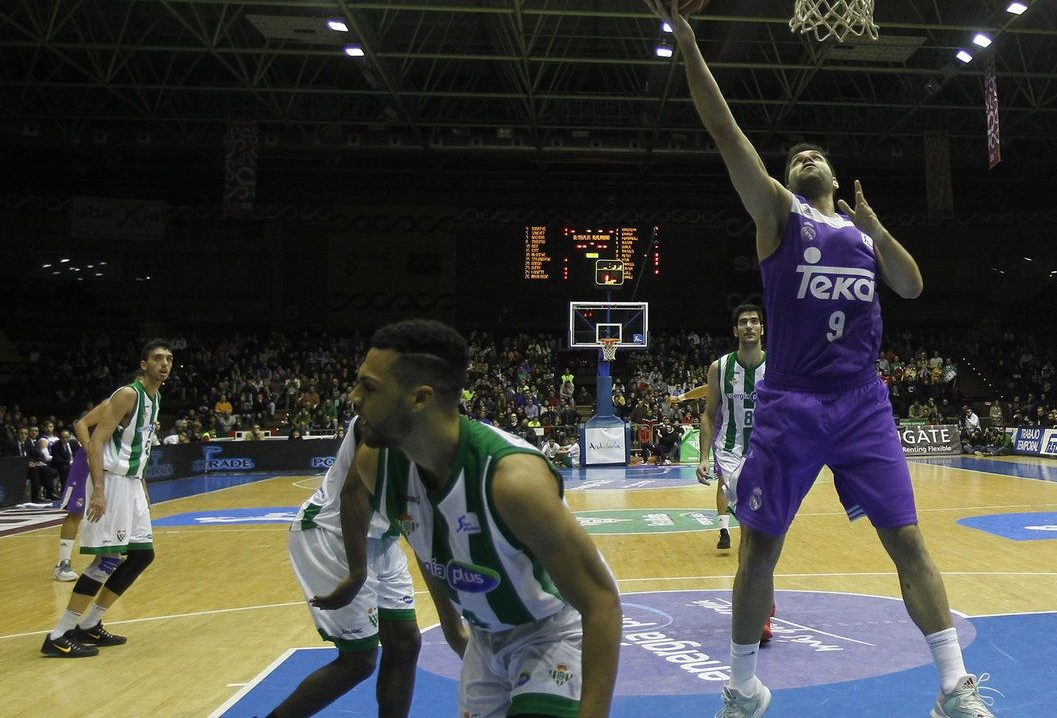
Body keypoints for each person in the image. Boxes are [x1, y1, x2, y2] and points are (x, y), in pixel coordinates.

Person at [651, 0, 996, 718]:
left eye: (816, 154)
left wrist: (875, 224)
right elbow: (723, 128)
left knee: (907, 539)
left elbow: (912, 282)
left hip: (863, 402)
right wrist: (686, 40)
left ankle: (953, 687)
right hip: (792, 403)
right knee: (759, 552)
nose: (805, 154)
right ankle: (744, 689)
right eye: (795, 154)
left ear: (837, 178)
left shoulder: (865, 236)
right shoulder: (779, 213)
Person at [347, 320, 620, 718]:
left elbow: (601, 601)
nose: (353, 398)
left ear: (420, 399)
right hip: (484, 638)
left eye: (369, 387)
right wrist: (449, 622)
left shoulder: (513, 481)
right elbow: (425, 545)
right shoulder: (377, 465)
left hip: (551, 630)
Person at [259, 416, 420, 718]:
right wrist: (358, 573)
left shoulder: (447, 432)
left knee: (405, 642)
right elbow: (353, 493)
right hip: (336, 534)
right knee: (358, 661)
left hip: (383, 540)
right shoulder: (385, 416)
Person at [42, 340, 170, 657]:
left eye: (168, 359)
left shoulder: (156, 398)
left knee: (142, 555)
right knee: (108, 559)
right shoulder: (129, 394)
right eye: (157, 358)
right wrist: (98, 489)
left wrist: (143, 488)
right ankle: (58, 635)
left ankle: (90, 624)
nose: (164, 363)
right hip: (112, 481)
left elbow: (138, 450)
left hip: (131, 484)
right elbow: (96, 440)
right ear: (144, 364)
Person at [686, 306, 775, 642]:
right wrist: (704, 456)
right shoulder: (719, 368)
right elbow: (709, 414)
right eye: (743, 322)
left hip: (769, 454)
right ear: (736, 331)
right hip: (733, 454)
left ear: (762, 329)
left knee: (761, 534)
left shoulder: (777, 365)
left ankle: (760, 599)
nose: (749, 326)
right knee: (753, 531)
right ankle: (760, 610)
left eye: (754, 321)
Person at [50, 412, 92, 581]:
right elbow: (80, 424)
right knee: (76, 512)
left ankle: (109, 556)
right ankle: (63, 563)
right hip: (87, 462)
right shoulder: (108, 406)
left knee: (108, 510)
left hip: (108, 462)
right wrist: (92, 451)